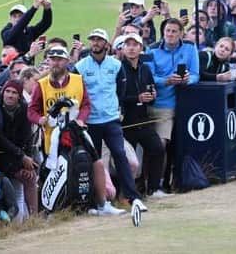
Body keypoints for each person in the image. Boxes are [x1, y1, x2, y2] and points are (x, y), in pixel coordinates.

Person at [27, 46, 125, 216]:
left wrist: (81, 119)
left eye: (59, 59)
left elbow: (86, 104)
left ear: (66, 61)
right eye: (52, 59)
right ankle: (51, 210)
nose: (56, 63)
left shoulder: (77, 80)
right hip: (53, 136)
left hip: (76, 132)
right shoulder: (41, 85)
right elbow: (32, 110)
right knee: (53, 171)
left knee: (97, 163)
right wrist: (39, 119)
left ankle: (102, 204)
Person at [75, 28, 146, 210]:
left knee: (120, 155)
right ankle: (97, 202)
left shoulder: (115, 65)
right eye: (93, 40)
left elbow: (120, 90)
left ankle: (132, 197)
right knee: (95, 162)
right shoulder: (81, 66)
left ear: (106, 44)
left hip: (111, 119)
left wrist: (117, 107)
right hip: (91, 122)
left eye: (99, 40)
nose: (95, 43)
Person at [116, 33, 167, 198]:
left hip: (143, 119)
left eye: (135, 45)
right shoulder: (118, 69)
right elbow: (117, 97)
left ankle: (153, 189)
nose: (131, 48)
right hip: (125, 123)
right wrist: (136, 98)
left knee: (157, 148)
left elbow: (152, 91)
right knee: (125, 160)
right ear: (123, 49)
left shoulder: (145, 69)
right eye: (128, 45)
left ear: (140, 48)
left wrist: (152, 97)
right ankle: (124, 194)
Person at [146, 18, 200, 145]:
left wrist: (187, 80)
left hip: (168, 105)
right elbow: (149, 77)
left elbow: (195, 74)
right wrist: (167, 81)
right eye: (167, 31)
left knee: (161, 144)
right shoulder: (151, 49)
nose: (170, 34)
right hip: (150, 103)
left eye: (174, 31)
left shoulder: (190, 47)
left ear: (181, 33)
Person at [0, 79, 38, 219]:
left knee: (30, 176)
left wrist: (28, 162)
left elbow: (27, 138)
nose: (10, 95)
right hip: (1, 155)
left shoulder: (24, 109)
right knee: (22, 181)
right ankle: (23, 219)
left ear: (19, 96)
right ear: (3, 92)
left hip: (18, 154)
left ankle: (33, 217)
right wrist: (22, 157)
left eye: (14, 93)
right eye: (7, 91)